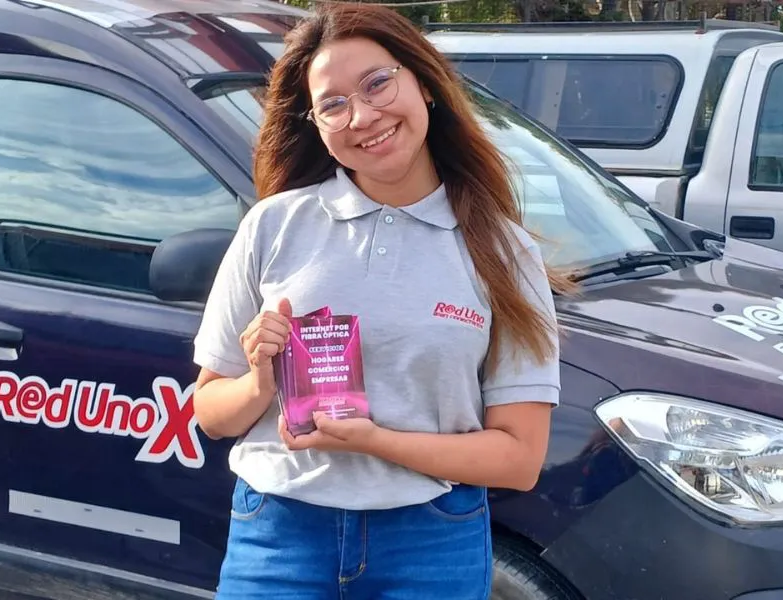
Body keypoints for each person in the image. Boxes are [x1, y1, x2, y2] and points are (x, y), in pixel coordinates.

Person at [190, 2, 571, 598]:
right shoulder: (274, 226)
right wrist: (262, 380)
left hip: (430, 542)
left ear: (422, 81)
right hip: (279, 534)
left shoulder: (504, 253)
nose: (363, 115)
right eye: (333, 104)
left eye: (377, 83)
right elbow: (211, 414)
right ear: (315, 124)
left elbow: (519, 459)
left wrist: (374, 441)